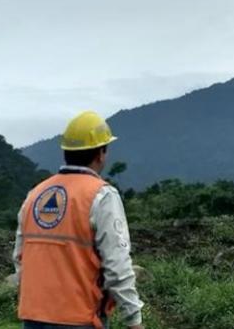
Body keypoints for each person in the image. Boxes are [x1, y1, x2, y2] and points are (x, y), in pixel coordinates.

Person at [13, 111, 144, 329]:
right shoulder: (102, 196)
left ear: (66, 152)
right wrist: (134, 319)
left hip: (33, 317)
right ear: (101, 153)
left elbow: (20, 256)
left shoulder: (35, 195)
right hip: (78, 318)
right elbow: (117, 264)